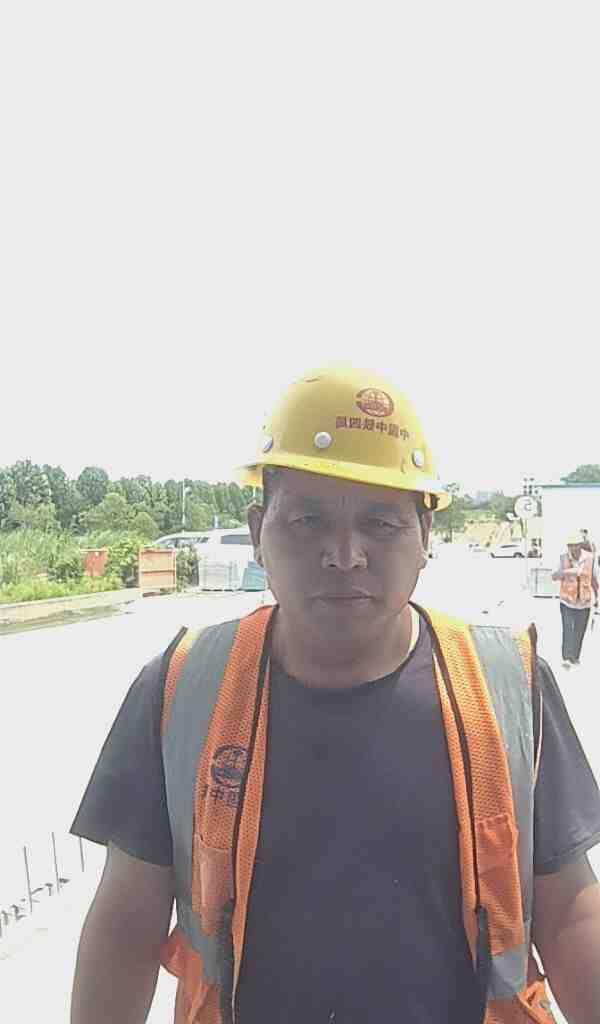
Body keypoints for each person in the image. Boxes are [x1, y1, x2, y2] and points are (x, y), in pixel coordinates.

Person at [70, 367, 600, 1024]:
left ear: (425, 536)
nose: (344, 554)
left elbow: (569, 908)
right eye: (308, 520)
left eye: (381, 523)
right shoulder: (181, 688)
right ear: (259, 531)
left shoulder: (508, 687)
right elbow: (127, 918)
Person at [552, 533, 599, 668]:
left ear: (580, 545)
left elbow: (594, 580)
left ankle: (575, 657)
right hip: (567, 601)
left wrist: (597, 597)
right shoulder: (563, 558)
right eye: (569, 546)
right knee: (568, 630)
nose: (572, 548)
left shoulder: (590, 558)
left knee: (579, 631)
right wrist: (568, 572)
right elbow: (554, 576)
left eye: (574, 545)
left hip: (584, 602)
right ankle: (566, 658)